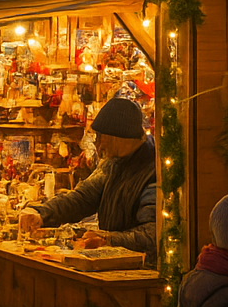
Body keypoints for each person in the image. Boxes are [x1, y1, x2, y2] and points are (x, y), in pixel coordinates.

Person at [17, 94, 157, 261]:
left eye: (100, 137)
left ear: (116, 137)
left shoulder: (152, 171)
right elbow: (82, 198)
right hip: (113, 265)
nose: (98, 145)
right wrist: (42, 214)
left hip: (141, 273)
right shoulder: (113, 163)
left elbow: (152, 234)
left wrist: (108, 240)